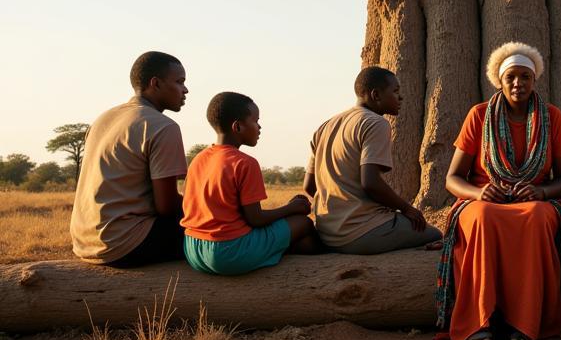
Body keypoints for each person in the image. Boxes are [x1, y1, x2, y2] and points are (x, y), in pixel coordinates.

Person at [437, 42, 561, 340]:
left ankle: (523, 322)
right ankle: (479, 322)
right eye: (511, 77)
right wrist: (479, 193)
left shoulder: (552, 117)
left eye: (525, 77)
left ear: (534, 80)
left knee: (537, 216)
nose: (518, 83)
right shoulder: (479, 115)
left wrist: (541, 191)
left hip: (535, 202)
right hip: (483, 202)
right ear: (499, 80)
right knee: (483, 217)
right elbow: (452, 178)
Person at [302, 67, 442, 254]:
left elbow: (309, 186)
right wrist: (407, 209)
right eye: (395, 91)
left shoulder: (325, 126)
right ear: (376, 95)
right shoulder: (375, 123)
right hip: (362, 234)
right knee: (435, 234)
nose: (400, 97)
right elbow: (371, 183)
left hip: (327, 234)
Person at [71, 51, 190, 267]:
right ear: (155, 83)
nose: (185, 90)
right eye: (179, 82)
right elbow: (166, 207)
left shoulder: (103, 119)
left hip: (84, 243)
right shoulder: (163, 126)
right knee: (223, 229)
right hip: (125, 245)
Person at [182, 92, 319, 275]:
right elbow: (256, 219)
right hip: (228, 253)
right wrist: (291, 208)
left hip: (193, 250)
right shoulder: (244, 162)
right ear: (237, 126)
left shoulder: (199, 159)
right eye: (256, 121)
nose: (259, 127)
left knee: (298, 238)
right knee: (303, 223)